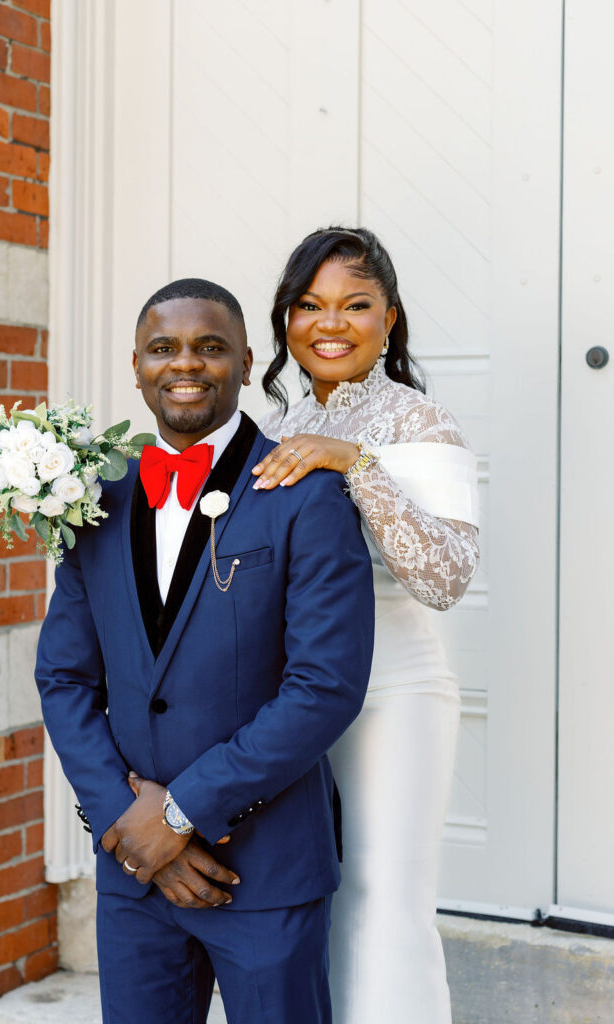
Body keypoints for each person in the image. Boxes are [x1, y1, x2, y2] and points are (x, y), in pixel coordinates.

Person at [35, 278, 375, 1024]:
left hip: (266, 872)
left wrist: (181, 813)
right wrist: (127, 820)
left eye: (209, 348)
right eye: (164, 349)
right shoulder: (96, 495)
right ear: (135, 365)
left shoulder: (305, 494)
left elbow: (324, 686)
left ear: (247, 362)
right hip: (134, 877)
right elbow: (62, 676)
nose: (185, 365)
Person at [253, 228, 481, 1024]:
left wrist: (354, 462)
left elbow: (445, 576)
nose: (330, 322)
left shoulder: (422, 422)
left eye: (355, 305)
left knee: (383, 905)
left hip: (394, 697)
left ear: (389, 318)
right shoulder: (273, 429)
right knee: (301, 900)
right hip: (291, 701)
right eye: (308, 304)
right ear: (284, 320)